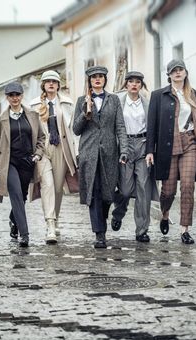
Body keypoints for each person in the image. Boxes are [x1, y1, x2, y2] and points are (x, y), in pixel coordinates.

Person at [146, 59, 196, 244]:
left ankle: (184, 230)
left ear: (185, 72)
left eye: (180, 69)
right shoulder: (159, 95)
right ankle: (165, 215)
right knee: (168, 190)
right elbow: (152, 125)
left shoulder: (195, 96)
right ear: (169, 75)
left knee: (188, 186)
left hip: (190, 143)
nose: (177, 73)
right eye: (173, 71)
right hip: (168, 146)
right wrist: (150, 150)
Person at [73, 65, 128, 249]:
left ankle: (103, 218)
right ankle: (100, 234)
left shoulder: (114, 100)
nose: (97, 79)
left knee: (107, 193)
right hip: (89, 153)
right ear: (89, 81)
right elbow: (76, 129)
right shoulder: (82, 100)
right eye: (94, 77)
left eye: (101, 77)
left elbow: (120, 126)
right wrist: (85, 112)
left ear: (105, 80)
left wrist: (124, 150)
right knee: (94, 192)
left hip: (109, 153)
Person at [0, 82, 45, 247]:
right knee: (17, 197)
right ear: (7, 97)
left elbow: (41, 138)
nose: (15, 98)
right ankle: (24, 234)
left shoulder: (32, 116)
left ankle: (13, 221)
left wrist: (37, 155)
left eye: (17, 95)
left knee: (23, 196)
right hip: (8, 163)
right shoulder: (1, 120)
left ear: (21, 96)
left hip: (27, 162)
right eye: (11, 95)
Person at [30, 70, 77, 244]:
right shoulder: (34, 105)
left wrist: (76, 152)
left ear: (58, 85)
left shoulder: (67, 103)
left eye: (54, 81)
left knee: (57, 188)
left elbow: (72, 129)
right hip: (43, 148)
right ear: (43, 85)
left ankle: (55, 218)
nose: (51, 84)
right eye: (47, 81)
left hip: (61, 148)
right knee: (47, 185)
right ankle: (50, 225)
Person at [111, 71, 159, 242]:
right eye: (130, 81)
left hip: (143, 145)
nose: (134, 84)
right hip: (124, 146)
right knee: (124, 189)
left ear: (141, 85)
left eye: (137, 82)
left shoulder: (147, 103)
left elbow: (153, 127)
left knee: (143, 189)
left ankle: (142, 230)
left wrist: (151, 150)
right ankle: (118, 214)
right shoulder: (118, 101)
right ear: (126, 84)